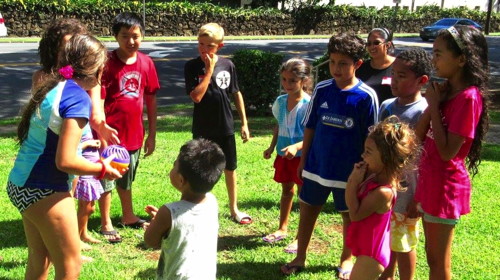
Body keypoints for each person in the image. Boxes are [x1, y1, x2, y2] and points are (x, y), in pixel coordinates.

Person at [6, 34, 121, 280]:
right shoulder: (78, 97)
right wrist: (102, 169)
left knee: (41, 259)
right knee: (71, 265)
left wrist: (83, 144)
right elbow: (65, 161)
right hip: (44, 188)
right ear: (98, 69)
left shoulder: (56, 86)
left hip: (22, 183)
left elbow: (50, 135)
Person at [281, 33, 379, 277]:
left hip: (349, 173)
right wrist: (304, 159)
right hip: (316, 166)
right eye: (333, 62)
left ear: (358, 64)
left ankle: (346, 261)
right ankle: (300, 256)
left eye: (343, 63)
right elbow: (311, 125)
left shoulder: (367, 96)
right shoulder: (322, 90)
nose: (336, 68)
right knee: (307, 210)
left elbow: (372, 139)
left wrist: (366, 171)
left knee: (348, 216)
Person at [415, 26, 489, 280]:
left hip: (445, 187)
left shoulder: (469, 98)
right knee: (431, 256)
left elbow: (448, 152)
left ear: (461, 59)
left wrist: (435, 106)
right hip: (430, 180)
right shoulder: (446, 91)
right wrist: (434, 103)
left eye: (438, 53)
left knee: (438, 263)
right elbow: (418, 136)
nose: (433, 59)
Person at [98, 12, 160, 237]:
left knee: (126, 175)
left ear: (142, 36)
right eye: (125, 36)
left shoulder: (146, 63)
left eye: (135, 36)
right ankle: (106, 223)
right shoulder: (105, 62)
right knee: (106, 176)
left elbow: (151, 99)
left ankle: (128, 215)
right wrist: (100, 129)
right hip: (109, 134)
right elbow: (99, 98)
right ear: (116, 37)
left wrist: (152, 134)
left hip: (134, 133)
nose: (131, 41)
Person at [184, 22, 252, 224]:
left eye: (209, 46)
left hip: (225, 125)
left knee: (230, 168)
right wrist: (209, 69)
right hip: (203, 127)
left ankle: (234, 208)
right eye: (201, 44)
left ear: (220, 46)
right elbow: (196, 97)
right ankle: (197, 206)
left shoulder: (228, 65)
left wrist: (244, 123)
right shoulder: (192, 66)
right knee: (200, 168)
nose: (204, 49)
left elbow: (236, 93)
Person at [377, 48, 432, 280]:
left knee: (405, 241)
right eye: (393, 74)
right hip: (385, 187)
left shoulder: (424, 111)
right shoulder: (387, 105)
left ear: (422, 81)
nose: (394, 80)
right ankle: (387, 275)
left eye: (401, 76)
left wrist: (418, 198)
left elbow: (426, 158)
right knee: (388, 235)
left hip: (409, 190)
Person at [346, 116, 420, 280]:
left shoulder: (384, 192)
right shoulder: (374, 178)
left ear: (386, 158)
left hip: (373, 254)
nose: (363, 155)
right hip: (367, 249)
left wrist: (352, 182)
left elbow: (355, 214)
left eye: (368, 152)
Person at [144, 138, 225, 280]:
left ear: (181, 180)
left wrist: (158, 221)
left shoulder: (168, 212)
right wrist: (165, 222)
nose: (172, 168)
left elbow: (150, 240)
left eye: (174, 165)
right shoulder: (212, 202)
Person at [262, 58, 311, 253]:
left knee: (303, 196)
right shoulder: (280, 102)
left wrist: (296, 147)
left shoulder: (308, 104)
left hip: (301, 157)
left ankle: (301, 237)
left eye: (292, 80)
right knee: (286, 190)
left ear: (304, 80)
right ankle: (282, 228)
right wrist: (272, 146)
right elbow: (278, 126)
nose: (287, 84)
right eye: (284, 79)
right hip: (283, 155)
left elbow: (311, 134)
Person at [32, 18, 88, 90]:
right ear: (53, 49)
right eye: (65, 48)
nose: (72, 52)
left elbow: (95, 101)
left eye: (77, 47)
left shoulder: (88, 78)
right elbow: (38, 100)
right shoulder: (41, 76)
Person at [73, 136, 107, 248]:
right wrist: (87, 143)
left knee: (89, 206)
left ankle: (83, 234)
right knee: (87, 207)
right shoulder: (74, 120)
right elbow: (71, 149)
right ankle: (75, 240)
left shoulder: (85, 122)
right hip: (84, 169)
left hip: (91, 169)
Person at [357, 27, 395, 104]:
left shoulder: (398, 66)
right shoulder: (361, 68)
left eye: (376, 43)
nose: (372, 47)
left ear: (387, 45)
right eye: (369, 44)